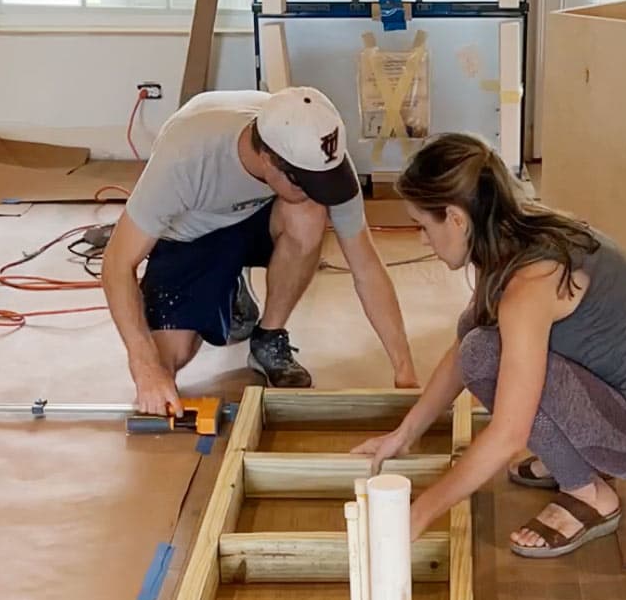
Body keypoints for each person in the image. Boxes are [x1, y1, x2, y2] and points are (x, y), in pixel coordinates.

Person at [353, 133, 626, 558]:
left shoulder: (529, 284)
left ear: (457, 220)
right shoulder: (510, 232)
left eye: (424, 226)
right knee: (479, 346)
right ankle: (576, 455)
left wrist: (420, 514)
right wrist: (404, 435)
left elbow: (508, 432)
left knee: (488, 356)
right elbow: (464, 346)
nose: (423, 240)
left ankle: (589, 494)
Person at [102, 87, 419, 408]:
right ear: (267, 159)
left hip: (261, 215)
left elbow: (366, 266)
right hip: (192, 234)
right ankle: (229, 285)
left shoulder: (319, 151)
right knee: (170, 358)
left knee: (309, 211)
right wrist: (145, 368)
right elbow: (116, 264)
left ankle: (268, 335)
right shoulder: (185, 157)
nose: (319, 188)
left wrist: (405, 371)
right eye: (304, 181)